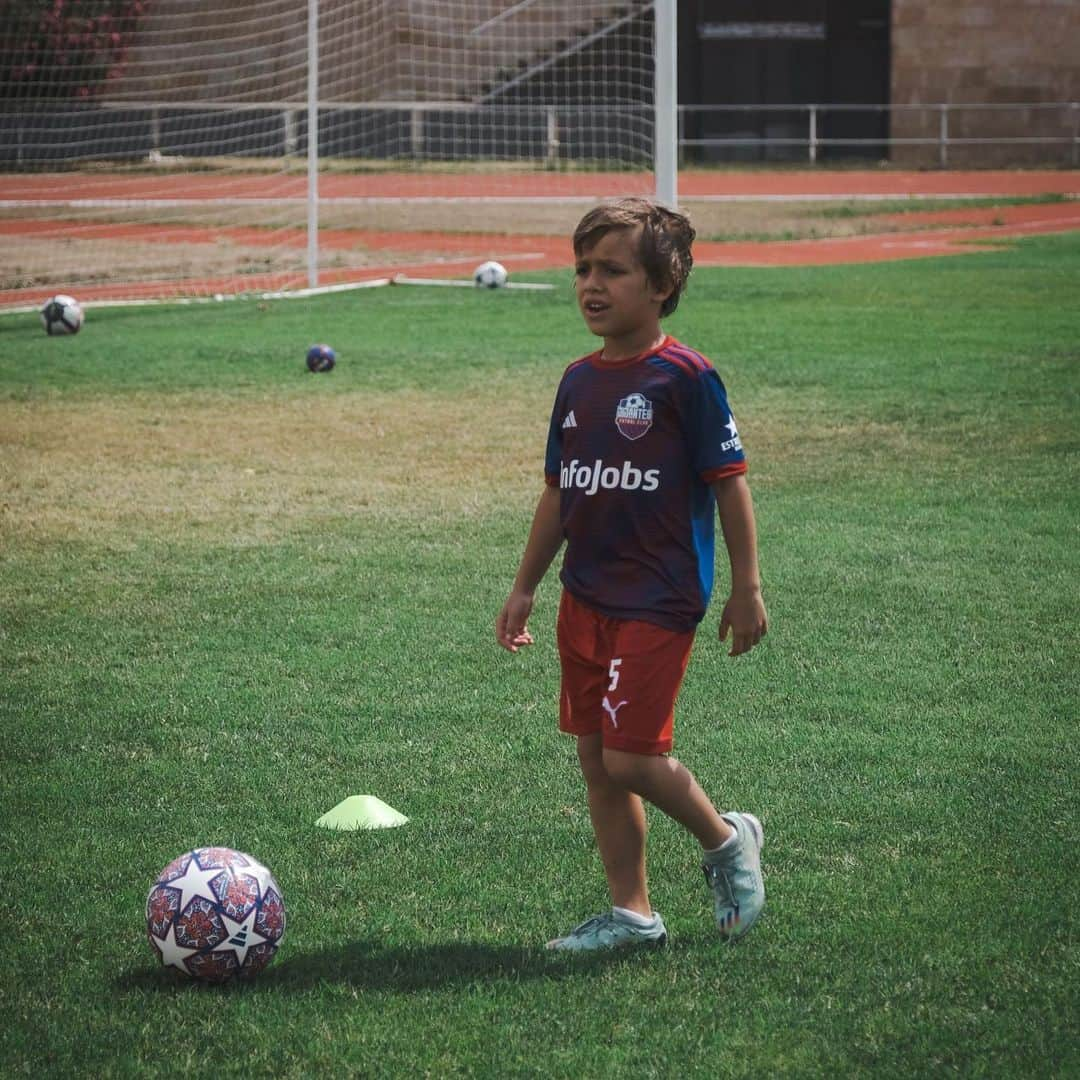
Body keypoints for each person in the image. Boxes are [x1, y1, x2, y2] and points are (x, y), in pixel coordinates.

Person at [495, 197, 769, 952]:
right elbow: (560, 490)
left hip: (659, 596)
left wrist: (747, 586)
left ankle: (726, 840)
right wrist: (526, 585)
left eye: (612, 269)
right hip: (586, 596)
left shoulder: (687, 377)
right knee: (596, 759)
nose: (590, 283)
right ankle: (632, 915)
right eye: (582, 268)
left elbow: (729, 483)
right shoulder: (577, 382)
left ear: (661, 284)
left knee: (631, 755)